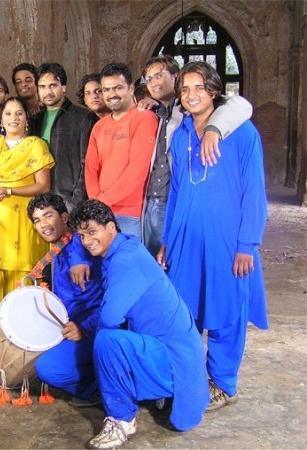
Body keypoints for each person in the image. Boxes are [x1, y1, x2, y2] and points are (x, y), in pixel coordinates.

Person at [158, 61, 268, 411]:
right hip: (187, 238)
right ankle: (189, 376)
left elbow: (254, 190)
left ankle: (223, 383)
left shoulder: (242, 133)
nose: (191, 95)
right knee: (184, 309)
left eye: (198, 88)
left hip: (226, 239)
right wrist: (168, 239)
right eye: (185, 89)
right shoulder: (181, 135)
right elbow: (175, 192)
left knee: (226, 310)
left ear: (214, 91)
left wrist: (247, 243)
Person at [69, 199, 209, 449]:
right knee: (107, 335)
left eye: (92, 231)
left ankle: (122, 420)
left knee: (107, 339)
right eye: (81, 235)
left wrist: (86, 328)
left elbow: (110, 318)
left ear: (111, 227)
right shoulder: (126, 248)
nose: (86, 240)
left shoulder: (125, 261)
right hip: (171, 349)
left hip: (174, 360)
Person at [139, 55, 253, 256]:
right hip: (159, 202)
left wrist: (213, 129)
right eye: (148, 79)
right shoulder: (161, 112)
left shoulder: (194, 112)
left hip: (189, 207)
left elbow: (240, 105)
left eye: (158, 75)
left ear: (175, 77)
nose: (154, 82)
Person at [0, 97, 54, 301]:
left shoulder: (36, 145)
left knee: (27, 275)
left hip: (25, 220)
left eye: (19, 113)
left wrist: (9, 191)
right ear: (1, 119)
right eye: (8, 113)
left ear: (26, 118)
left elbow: (43, 185)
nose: (13, 118)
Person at [27, 193, 103, 406]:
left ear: (65, 217)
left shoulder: (82, 245)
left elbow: (110, 301)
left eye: (48, 216)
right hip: (72, 327)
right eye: (37, 220)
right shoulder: (56, 250)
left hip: (96, 329)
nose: (43, 224)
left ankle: (101, 386)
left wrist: (85, 329)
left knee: (48, 369)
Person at [85, 63, 159, 238]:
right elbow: (90, 169)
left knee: (128, 265)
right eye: (106, 89)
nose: (112, 94)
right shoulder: (99, 126)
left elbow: (137, 170)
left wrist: (101, 202)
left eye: (118, 88)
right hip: (101, 212)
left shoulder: (145, 118)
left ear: (131, 87)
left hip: (130, 213)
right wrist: (97, 204)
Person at [29, 63, 98, 212]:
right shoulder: (34, 120)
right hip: (40, 201)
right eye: (42, 87)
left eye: (53, 85)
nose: (48, 91)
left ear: (64, 87)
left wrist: (75, 203)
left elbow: (87, 164)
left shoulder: (83, 117)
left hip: (68, 201)